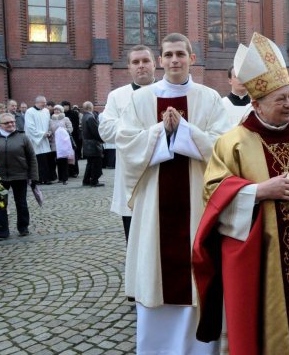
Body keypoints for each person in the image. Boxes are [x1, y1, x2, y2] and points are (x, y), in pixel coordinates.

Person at [193, 33, 289, 353]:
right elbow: (213, 193)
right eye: (281, 99)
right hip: (262, 259)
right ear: (257, 103)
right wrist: (258, 191)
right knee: (266, 326)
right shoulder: (231, 143)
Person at [116, 33, 229, 354]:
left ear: (192, 58)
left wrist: (185, 130)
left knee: (197, 271)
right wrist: (160, 131)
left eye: (181, 54)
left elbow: (221, 144)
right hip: (155, 202)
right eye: (168, 55)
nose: (174, 60)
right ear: (160, 60)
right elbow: (125, 143)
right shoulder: (140, 100)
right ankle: (156, 347)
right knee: (156, 270)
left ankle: (198, 348)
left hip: (197, 198)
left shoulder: (209, 98)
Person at [99, 44, 156, 242]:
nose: (141, 66)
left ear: (155, 64)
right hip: (130, 174)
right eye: (136, 62)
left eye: (145, 61)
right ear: (129, 68)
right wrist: (143, 131)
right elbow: (105, 131)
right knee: (134, 239)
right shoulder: (117, 96)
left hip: (161, 170)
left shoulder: (167, 92)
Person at [0, 113, 38, 241]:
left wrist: (34, 176)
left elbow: (32, 157)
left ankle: (23, 228)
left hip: (19, 175)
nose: (11, 124)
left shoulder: (22, 137)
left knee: (21, 203)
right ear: (0, 125)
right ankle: (2, 232)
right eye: (7, 123)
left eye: (12, 122)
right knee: (1, 204)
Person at [25, 96, 54, 184]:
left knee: (46, 160)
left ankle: (47, 178)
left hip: (44, 140)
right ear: (36, 102)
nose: (45, 104)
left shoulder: (46, 111)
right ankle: (37, 179)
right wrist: (42, 134)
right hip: (34, 140)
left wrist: (49, 132)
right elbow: (30, 127)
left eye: (45, 102)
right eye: (43, 102)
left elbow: (49, 123)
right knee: (37, 161)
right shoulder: (29, 112)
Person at [50, 104, 74, 185]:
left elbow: (70, 128)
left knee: (64, 161)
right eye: (55, 110)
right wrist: (49, 133)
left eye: (58, 110)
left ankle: (65, 178)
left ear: (61, 111)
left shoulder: (65, 118)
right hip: (54, 143)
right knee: (58, 161)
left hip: (63, 142)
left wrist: (63, 131)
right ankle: (60, 178)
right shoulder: (51, 120)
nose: (56, 111)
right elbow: (50, 129)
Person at [81, 101, 104, 187]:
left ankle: (86, 180)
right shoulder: (90, 117)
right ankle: (94, 180)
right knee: (96, 163)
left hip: (87, 143)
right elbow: (96, 131)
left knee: (90, 163)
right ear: (91, 107)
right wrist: (102, 139)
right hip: (93, 144)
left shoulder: (84, 116)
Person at [61, 101, 80, 177]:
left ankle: (74, 171)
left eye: (67, 106)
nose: (65, 107)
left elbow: (75, 126)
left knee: (73, 155)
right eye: (64, 106)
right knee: (66, 155)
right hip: (63, 138)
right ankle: (67, 171)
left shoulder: (74, 114)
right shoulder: (61, 115)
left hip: (72, 137)